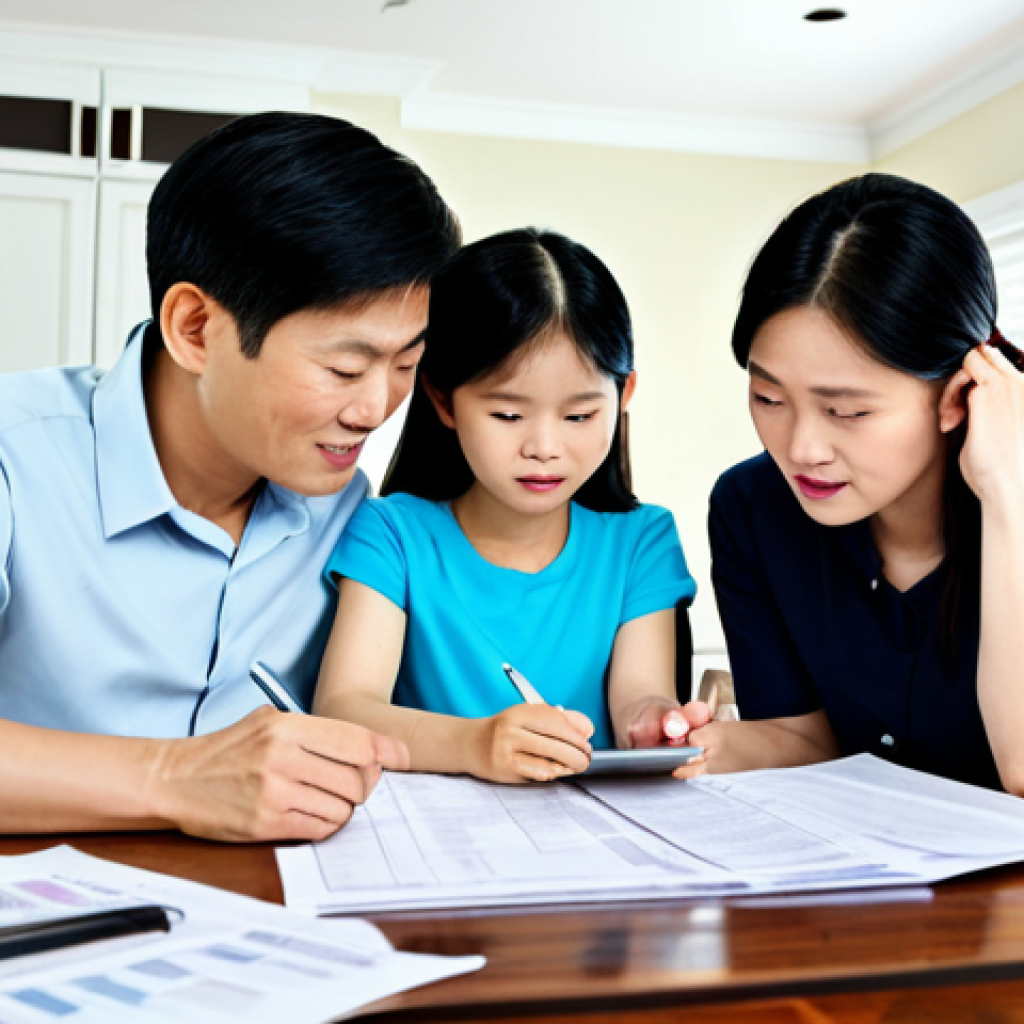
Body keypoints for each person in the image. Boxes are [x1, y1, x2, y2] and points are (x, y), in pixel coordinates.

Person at [0, 112, 461, 839]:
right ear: (195, 329)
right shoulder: (15, 457)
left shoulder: (347, 510)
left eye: (405, 365)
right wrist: (175, 778)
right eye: (344, 368)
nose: (375, 409)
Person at [313, 228, 699, 783]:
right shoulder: (391, 533)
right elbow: (345, 708)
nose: (544, 447)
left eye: (580, 416)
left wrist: (655, 724)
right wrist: (476, 743)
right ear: (443, 400)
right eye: (509, 416)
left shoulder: (641, 540)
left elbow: (640, 695)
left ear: (624, 396)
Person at [680, 172, 1024, 793]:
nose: (801, 449)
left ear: (957, 395)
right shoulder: (751, 509)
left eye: (847, 411)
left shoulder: (1014, 497)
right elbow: (805, 740)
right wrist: (706, 744)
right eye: (768, 397)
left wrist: (1006, 497)